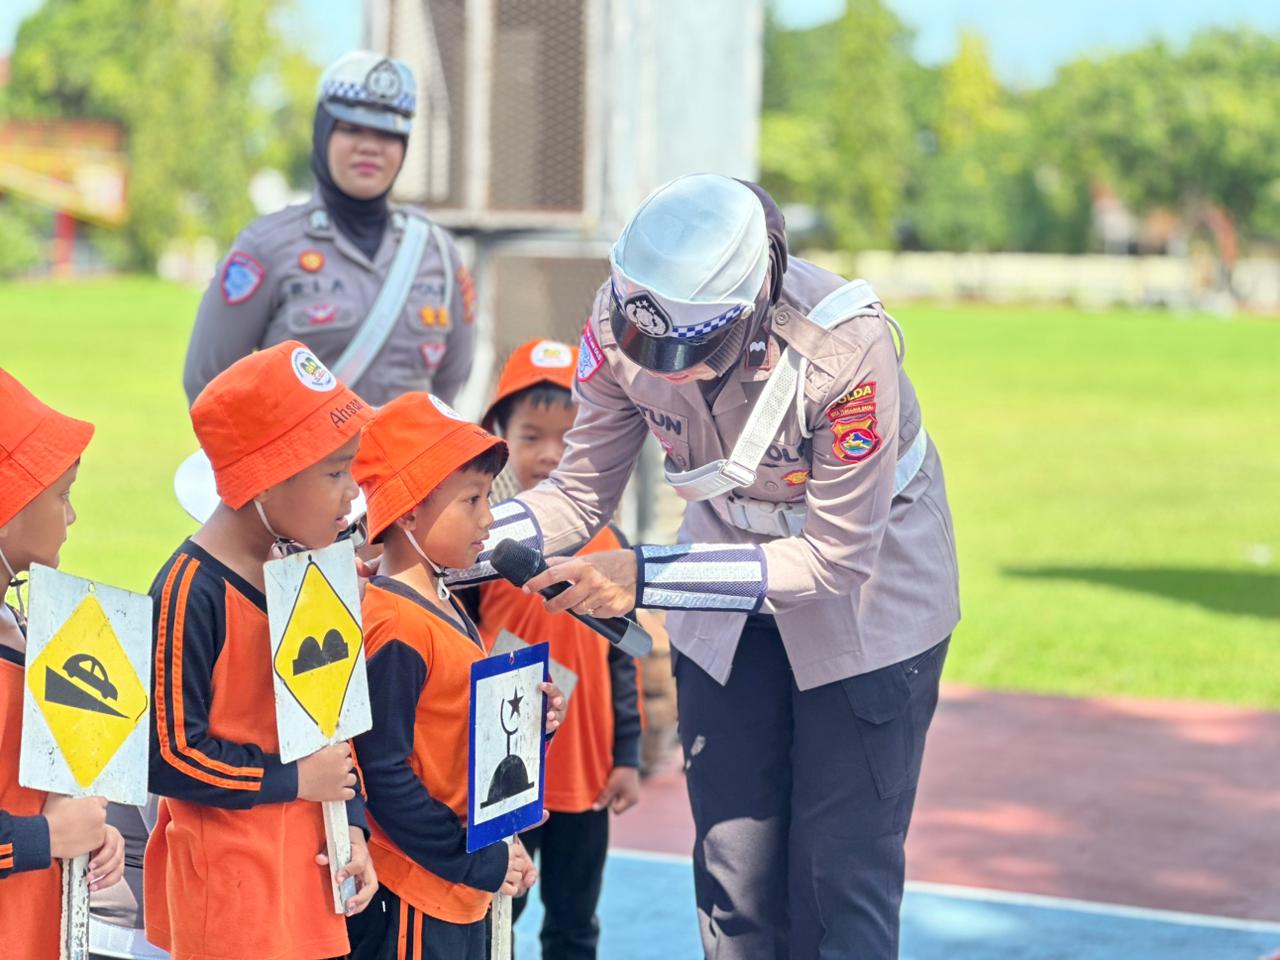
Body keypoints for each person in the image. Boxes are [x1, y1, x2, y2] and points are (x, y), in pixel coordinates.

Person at [454, 174, 959, 959]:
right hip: (722, 594)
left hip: (870, 603)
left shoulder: (846, 348)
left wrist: (643, 575)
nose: (662, 365)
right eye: (643, 339)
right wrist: (437, 541)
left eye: (688, 348)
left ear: (753, 309)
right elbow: (579, 494)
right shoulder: (619, 318)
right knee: (734, 878)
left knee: (838, 882)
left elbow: (834, 559)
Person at [145, 341, 378, 960]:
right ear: (264, 480)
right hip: (232, 899)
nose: (352, 495)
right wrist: (295, 779)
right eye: (334, 472)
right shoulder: (188, 590)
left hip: (311, 876)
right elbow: (168, 756)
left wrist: (352, 829)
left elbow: (334, 722)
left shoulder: (306, 572)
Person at [347, 392, 563, 960]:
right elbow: (383, 772)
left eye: (487, 497)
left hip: (456, 883)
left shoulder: (443, 601)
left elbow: (450, 729)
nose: (489, 518)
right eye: (472, 500)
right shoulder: (393, 624)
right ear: (409, 510)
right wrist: (477, 858)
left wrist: (527, 721)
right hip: (417, 889)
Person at [472, 339, 642, 960]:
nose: (550, 455)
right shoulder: (479, 547)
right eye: (531, 435)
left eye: (569, 438)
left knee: (574, 925)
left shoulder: (612, 547)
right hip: (502, 778)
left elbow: (622, 659)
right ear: (499, 437)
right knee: (495, 920)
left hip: (585, 777)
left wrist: (627, 755)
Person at [183, 50, 476, 408]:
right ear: (323, 133)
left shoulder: (437, 252)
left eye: (387, 133)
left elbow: (450, 381)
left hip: (412, 463)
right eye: (351, 129)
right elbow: (209, 386)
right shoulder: (265, 248)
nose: (369, 146)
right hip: (302, 465)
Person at [0, 368, 126, 959]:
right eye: (62, 493)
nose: (71, 517)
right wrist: (44, 837)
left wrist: (92, 834)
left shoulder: (20, 620)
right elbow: (41, 827)